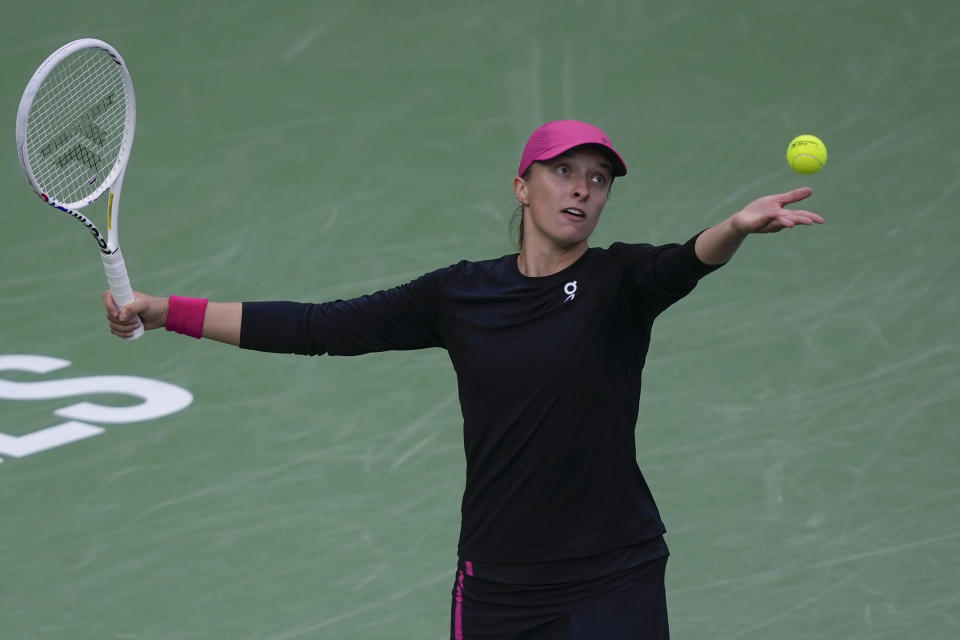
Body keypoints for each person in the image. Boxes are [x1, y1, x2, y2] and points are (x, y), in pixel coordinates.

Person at [104, 120, 823, 639]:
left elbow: (686, 260)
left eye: (597, 180)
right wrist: (169, 312)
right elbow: (321, 328)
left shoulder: (621, 281)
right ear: (522, 185)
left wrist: (734, 226)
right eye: (563, 172)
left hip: (614, 572)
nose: (582, 190)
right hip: (499, 582)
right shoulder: (460, 296)